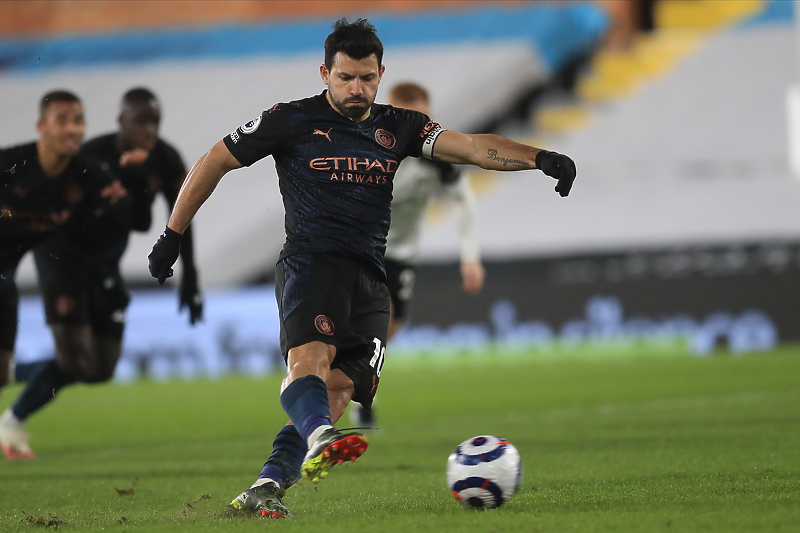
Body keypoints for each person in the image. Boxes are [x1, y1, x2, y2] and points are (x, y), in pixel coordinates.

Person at [147, 18, 576, 519]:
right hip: (311, 261)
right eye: (346, 77)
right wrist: (173, 233)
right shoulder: (289, 119)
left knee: (342, 388)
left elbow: (472, 148)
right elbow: (214, 160)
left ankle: (266, 486)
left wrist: (539, 157)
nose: (357, 88)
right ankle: (321, 436)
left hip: (372, 277)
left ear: (381, 73)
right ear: (325, 72)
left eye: (367, 78)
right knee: (309, 360)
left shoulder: (400, 126)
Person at [0, 88, 204, 461]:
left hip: (104, 267)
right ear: (121, 121)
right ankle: (11, 420)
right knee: (74, 359)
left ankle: (12, 373)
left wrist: (190, 275)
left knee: (100, 367)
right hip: (63, 263)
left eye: (154, 121)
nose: (148, 130)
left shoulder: (162, 159)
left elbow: (146, 221)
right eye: (140, 121)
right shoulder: (86, 156)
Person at [0, 90, 127, 460]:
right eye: (63, 120)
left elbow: (133, 217)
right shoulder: (11, 165)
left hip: (5, 276)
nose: (74, 128)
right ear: (41, 126)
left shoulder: (88, 174)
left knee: (3, 375)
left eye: (79, 120)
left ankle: (11, 420)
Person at [352, 81, 485, 427]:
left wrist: (470, 256)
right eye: (409, 115)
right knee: (375, 320)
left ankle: (359, 386)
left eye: (424, 116)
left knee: (390, 324)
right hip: (359, 246)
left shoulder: (437, 157)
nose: (418, 124)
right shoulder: (367, 148)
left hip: (401, 253)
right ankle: (353, 393)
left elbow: (463, 199)